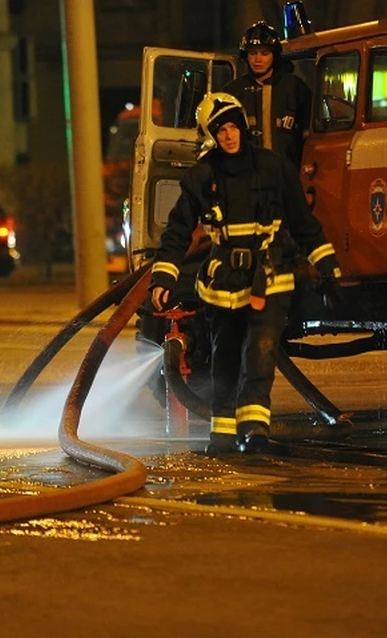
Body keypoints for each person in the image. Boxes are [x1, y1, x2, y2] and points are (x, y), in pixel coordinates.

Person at [149, 93, 340, 455]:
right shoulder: (201, 177)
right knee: (225, 357)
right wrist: (163, 278)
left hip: (269, 278)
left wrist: (328, 266)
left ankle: (254, 430)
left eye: (234, 126)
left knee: (261, 350)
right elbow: (177, 231)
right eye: (221, 130)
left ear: (243, 128)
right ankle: (223, 431)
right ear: (212, 135)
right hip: (222, 287)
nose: (229, 135)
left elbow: (303, 222)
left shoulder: (273, 168)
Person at [223, 21, 312, 167]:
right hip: (245, 177)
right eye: (253, 53)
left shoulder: (295, 88)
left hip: (286, 177)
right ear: (246, 56)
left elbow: (310, 137)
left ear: (274, 55)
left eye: (264, 53)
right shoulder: (232, 92)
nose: (258, 59)